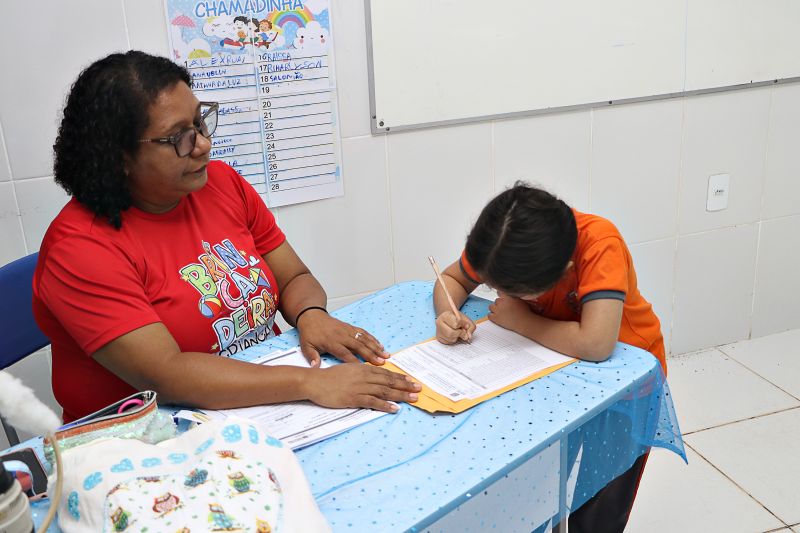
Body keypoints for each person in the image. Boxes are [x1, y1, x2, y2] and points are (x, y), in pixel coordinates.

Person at [33, 50, 420, 423]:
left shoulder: (220, 184)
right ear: (118, 157)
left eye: (199, 124)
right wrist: (311, 384)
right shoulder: (80, 249)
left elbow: (294, 278)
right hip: (146, 434)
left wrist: (310, 314)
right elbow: (166, 377)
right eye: (178, 138)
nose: (202, 145)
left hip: (264, 398)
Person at [432, 183, 665, 533]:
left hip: (624, 381)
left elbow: (597, 343)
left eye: (511, 292)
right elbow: (451, 278)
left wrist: (523, 321)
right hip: (552, 368)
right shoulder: (503, 245)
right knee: (540, 483)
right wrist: (446, 313)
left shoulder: (600, 244)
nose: (499, 295)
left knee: (601, 498)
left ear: (565, 269)